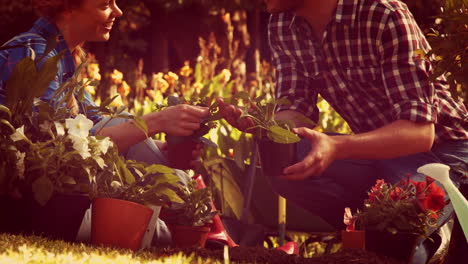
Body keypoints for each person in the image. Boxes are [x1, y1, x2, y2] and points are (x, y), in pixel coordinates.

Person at [219, 0, 467, 263]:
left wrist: (338, 147)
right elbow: (296, 106)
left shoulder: (384, 14)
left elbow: (419, 134)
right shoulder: (284, 24)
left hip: (443, 153)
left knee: (396, 231)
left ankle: (421, 236)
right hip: (376, 152)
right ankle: (365, 235)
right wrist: (263, 125)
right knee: (289, 158)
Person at [0, 0, 208, 246]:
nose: (117, 12)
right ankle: (183, 227)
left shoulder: (64, 57)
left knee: (131, 134)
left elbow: (98, 125)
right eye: (105, 4)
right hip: (30, 203)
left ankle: (183, 223)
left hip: (61, 194)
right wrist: (156, 121)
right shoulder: (33, 52)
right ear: (66, 7)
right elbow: (57, 146)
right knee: (155, 232)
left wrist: (166, 149)